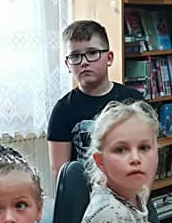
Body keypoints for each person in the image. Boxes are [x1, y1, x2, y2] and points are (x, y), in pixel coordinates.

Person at [47, 20, 142, 179]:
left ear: (109, 58)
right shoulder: (62, 110)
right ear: (67, 65)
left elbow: (146, 155)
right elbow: (61, 174)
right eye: (75, 56)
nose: (84, 62)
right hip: (83, 193)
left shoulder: (133, 101)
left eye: (92, 53)